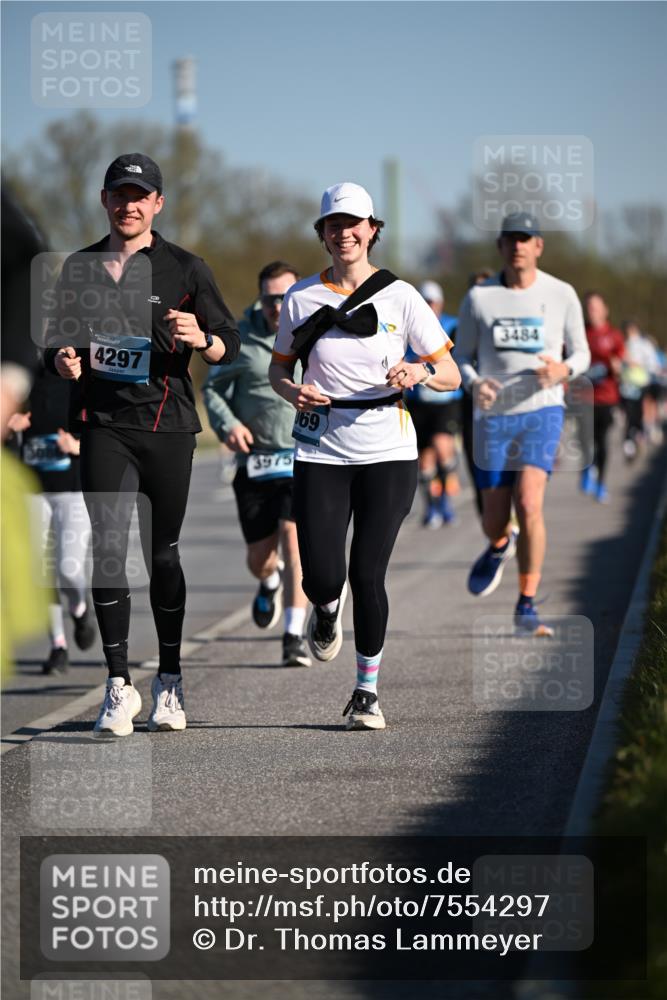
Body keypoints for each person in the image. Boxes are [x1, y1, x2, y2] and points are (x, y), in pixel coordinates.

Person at [45, 153, 240, 735]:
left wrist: (202, 337)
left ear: (157, 203)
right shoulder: (78, 268)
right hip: (103, 425)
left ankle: (171, 682)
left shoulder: (186, 268)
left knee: (162, 555)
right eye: (118, 194)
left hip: (169, 427)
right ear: (103, 201)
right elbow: (54, 345)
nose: (128, 205)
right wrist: (61, 360)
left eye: (140, 195)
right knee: (108, 547)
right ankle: (117, 684)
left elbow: (228, 340)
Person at [268, 182, 460, 729]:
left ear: (373, 229)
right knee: (323, 577)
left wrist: (420, 371)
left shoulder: (400, 296)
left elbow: (449, 371)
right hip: (322, 448)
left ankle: (366, 692)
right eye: (333, 225)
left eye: (355, 223)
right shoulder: (301, 298)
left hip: (388, 448)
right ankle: (325, 610)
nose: (344, 233)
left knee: (367, 572)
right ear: (323, 234)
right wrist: (292, 391)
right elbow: (278, 370)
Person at [456, 212, 590, 636]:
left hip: (542, 409)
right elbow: (459, 358)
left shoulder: (562, 293)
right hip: (493, 417)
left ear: (539, 246)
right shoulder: (479, 297)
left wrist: (563, 371)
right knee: (494, 518)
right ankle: (500, 542)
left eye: (526, 238)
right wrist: (475, 383)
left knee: (529, 502)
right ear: (500, 246)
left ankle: (527, 601)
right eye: (510, 239)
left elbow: (583, 353)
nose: (518, 246)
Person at [203, 261, 311, 667]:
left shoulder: (311, 332)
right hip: (254, 460)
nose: (278, 306)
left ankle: (293, 634)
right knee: (261, 558)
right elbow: (212, 389)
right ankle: (268, 582)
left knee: (293, 537)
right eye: (270, 298)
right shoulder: (239, 336)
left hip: (301, 455)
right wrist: (228, 425)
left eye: (285, 297)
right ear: (260, 297)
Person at [7, 363, 96, 674]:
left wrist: (79, 445)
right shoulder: (23, 376)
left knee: (68, 568)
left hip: (72, 490)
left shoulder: (84, 370)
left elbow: (111, 426)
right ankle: (58, 646)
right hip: (32, 491)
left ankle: (80, 609)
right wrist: (10, 424)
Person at [404, 280, 462, 527]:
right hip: (419, 401)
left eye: (432, 302)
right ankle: (432, 506)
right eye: (425, 301)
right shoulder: (410, 325)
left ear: (440, 303)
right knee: (424, 460)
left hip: (446, 400)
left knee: (442, 447)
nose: (429, 306)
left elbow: (458, 359)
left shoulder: (452, 325)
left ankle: (447, 500)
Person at [579, 292, 624, 503]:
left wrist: (617, 368)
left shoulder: (614, 335)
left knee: (602, 440)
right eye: (589, 307)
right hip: (584, 397)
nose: (592, 311)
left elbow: (621, 366)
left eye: (596, 307)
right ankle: (587, 468)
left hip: (607, 397)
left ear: (605, 310)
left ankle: (601, 483)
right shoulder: (580, 333)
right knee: (585, 439)